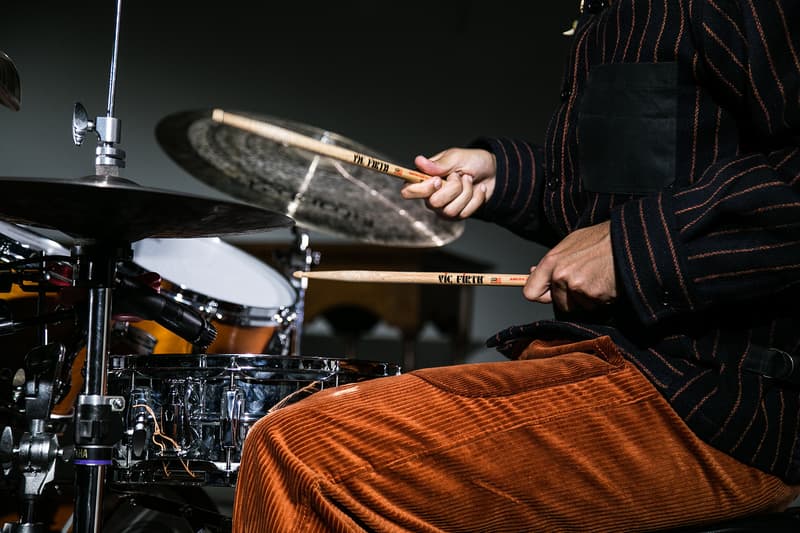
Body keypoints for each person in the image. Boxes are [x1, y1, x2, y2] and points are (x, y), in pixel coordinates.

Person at [232, 1, 800, 531]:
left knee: (302, 454)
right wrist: (504, 176)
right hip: (603, 357)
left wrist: (631, 247)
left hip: (716, 396)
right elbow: (624, 184)